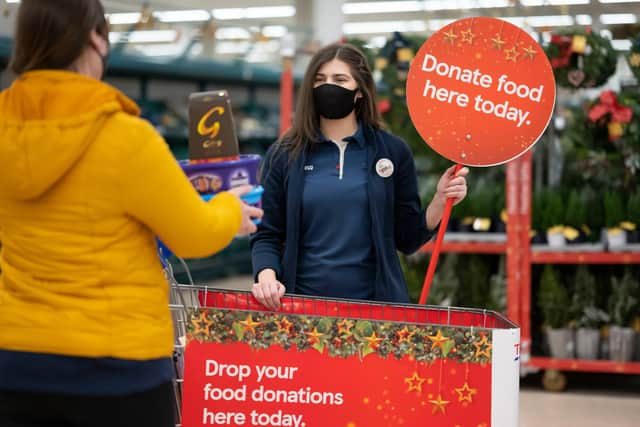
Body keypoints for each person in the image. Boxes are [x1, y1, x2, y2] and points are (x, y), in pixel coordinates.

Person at [0, 1, 262, 426]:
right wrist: (231, 208)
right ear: (94, 39)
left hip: (17, 360)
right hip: (117, 367)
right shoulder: (125, 138)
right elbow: (194, 235)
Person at [251, 43, 468, 311]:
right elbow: (267, 234)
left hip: (376, 314)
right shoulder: (285, 154)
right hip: (300, 308)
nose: (328, 87)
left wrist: (439, 200)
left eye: (340, 80)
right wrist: (267, 278)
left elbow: (407, 238)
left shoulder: (392, 151)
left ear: (360, 92)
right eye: (320, 80)